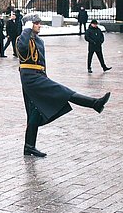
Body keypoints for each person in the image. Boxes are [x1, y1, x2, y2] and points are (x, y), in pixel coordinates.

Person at [17, 13, 111, 157]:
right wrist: (26, 29)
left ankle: (29, 146)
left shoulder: (39, 41)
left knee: (34, 111)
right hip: (30, 78)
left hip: (39, 76)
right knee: (63, 92)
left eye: (38, 23)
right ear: (29, 25)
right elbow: (22, 48)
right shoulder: (22, 39)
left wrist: (45, 76)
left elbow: (42, 62)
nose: (39, 25)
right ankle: (94, 104)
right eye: (36, 23)